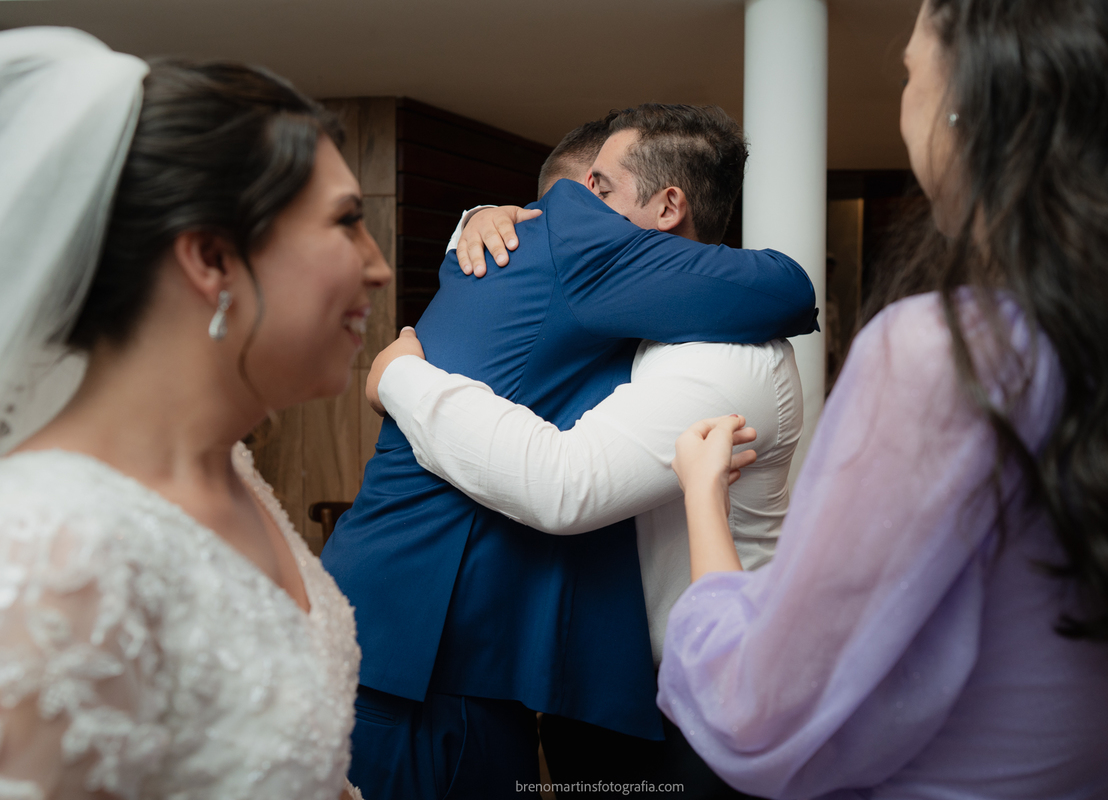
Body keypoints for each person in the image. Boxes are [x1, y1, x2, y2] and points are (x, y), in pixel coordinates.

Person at [660, 0, 1108, 796]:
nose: (904, 102)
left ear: (970, 105)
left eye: (911, 73)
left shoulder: (953, 355)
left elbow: (758, 711)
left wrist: (702, 497)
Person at [320, 104, 819, 799]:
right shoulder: (595, 279)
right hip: (436, 649)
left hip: (696, 693)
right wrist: (476, 220)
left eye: (599, 189)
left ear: (669, 206)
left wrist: (398, 376)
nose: (568, 206)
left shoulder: (718, 346)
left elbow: (566, 484)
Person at [0, 28, 390, 800]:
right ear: (212, 259)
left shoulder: (236, 472)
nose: (376, 265)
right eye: (347, 220)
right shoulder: (51, 556)